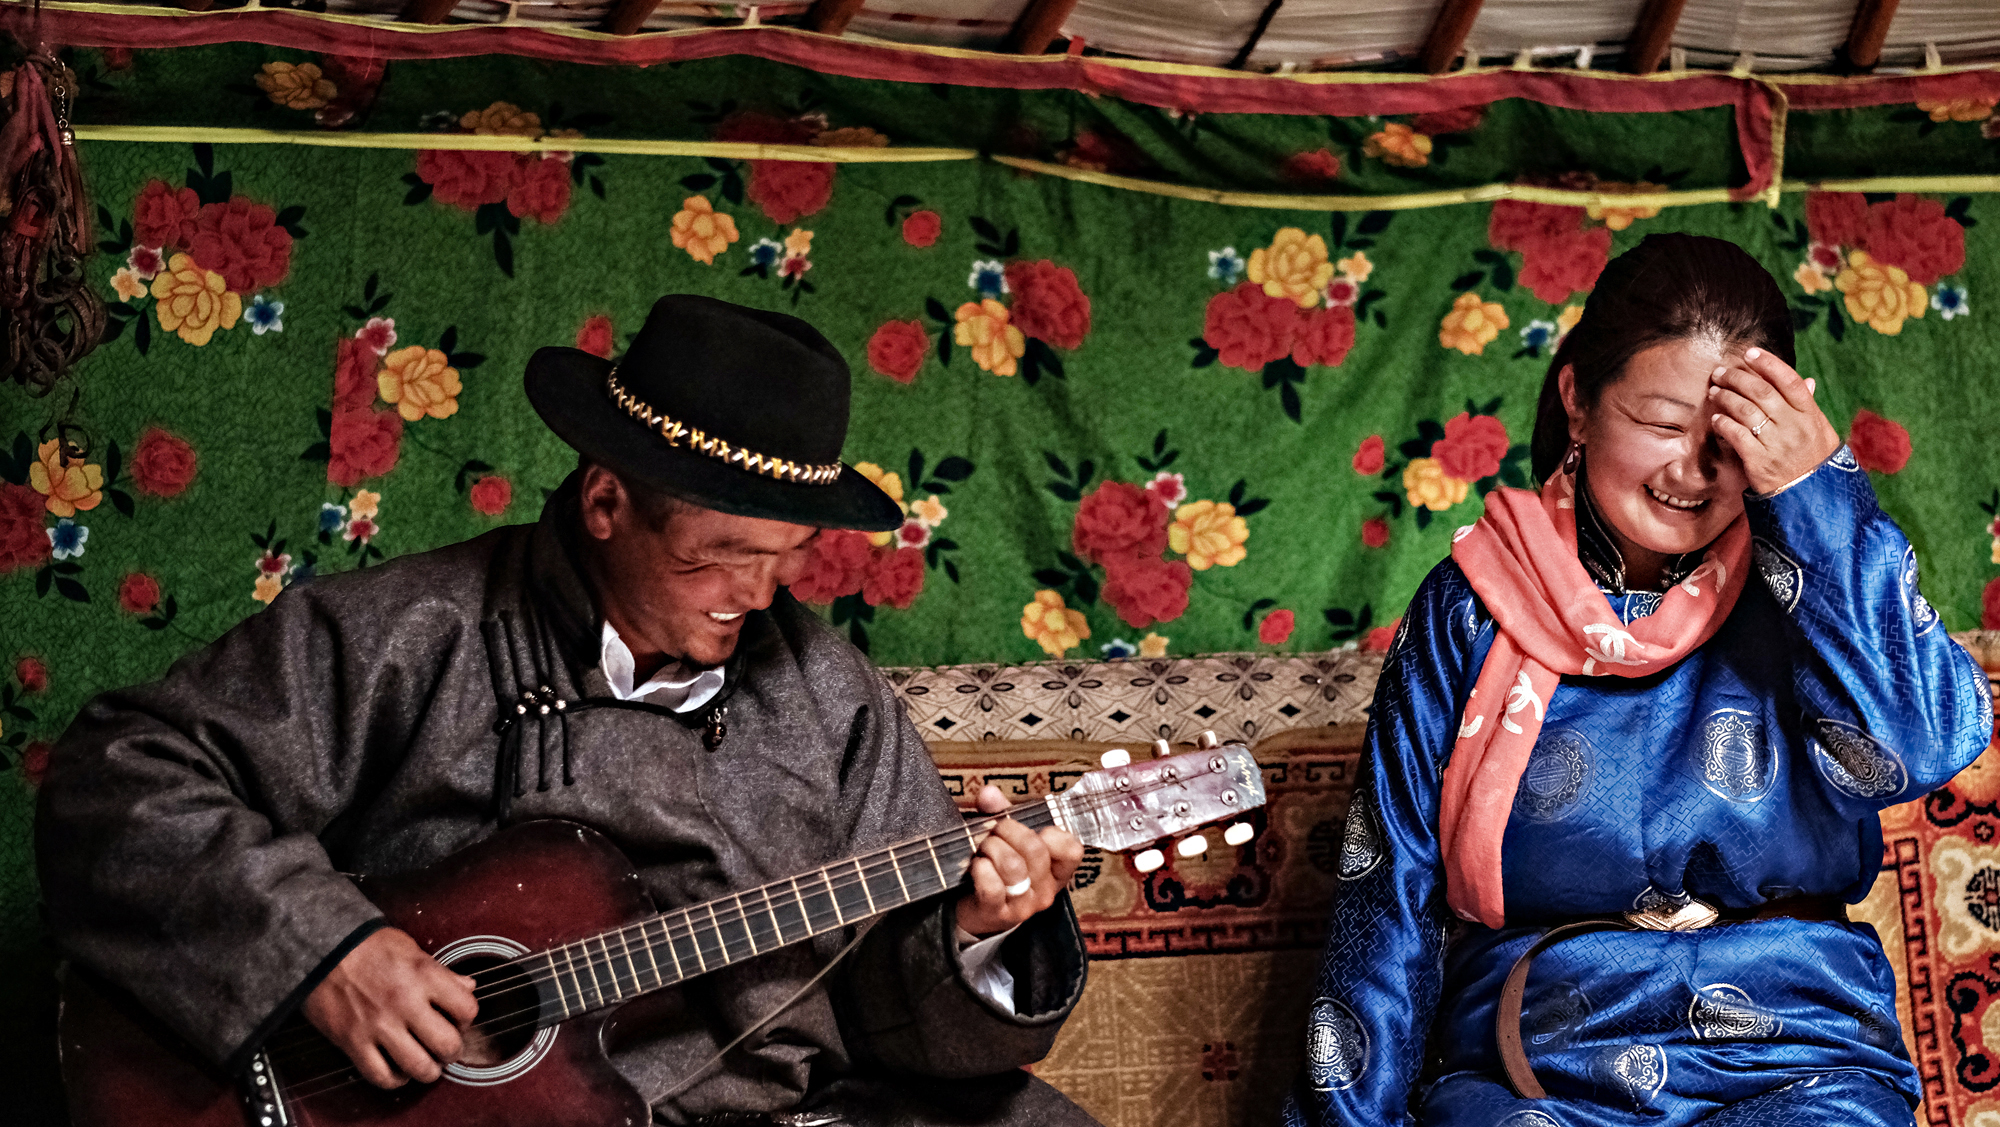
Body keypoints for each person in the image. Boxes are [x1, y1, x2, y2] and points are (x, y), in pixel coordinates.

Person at [38, 295, 1099, 1126]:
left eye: (788, 557)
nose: (758, 594)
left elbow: (897, 1022)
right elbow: (119, 777)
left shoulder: (833, 696)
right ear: (604, 501)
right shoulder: (410, 630)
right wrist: (320, 952)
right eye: (722, 554)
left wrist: (974, 934)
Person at [1284, 234, 1991, 1127]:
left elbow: (1916, 746)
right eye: (1661, 424)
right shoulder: (1470, 608)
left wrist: (1818, 495)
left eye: (1729, 436)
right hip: (1539, 1066)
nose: (1694, 470)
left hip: (1797, 1058)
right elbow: (1389, 893)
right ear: (1578, 400)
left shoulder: (1810, 583)